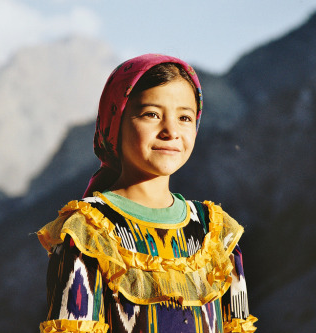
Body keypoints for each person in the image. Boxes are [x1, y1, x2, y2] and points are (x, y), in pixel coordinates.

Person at [37, 54, 258, 333]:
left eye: (185, 117)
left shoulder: (215, 233)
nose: (171, 131)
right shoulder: (88, 233)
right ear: (115, 121)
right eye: (151, 114)